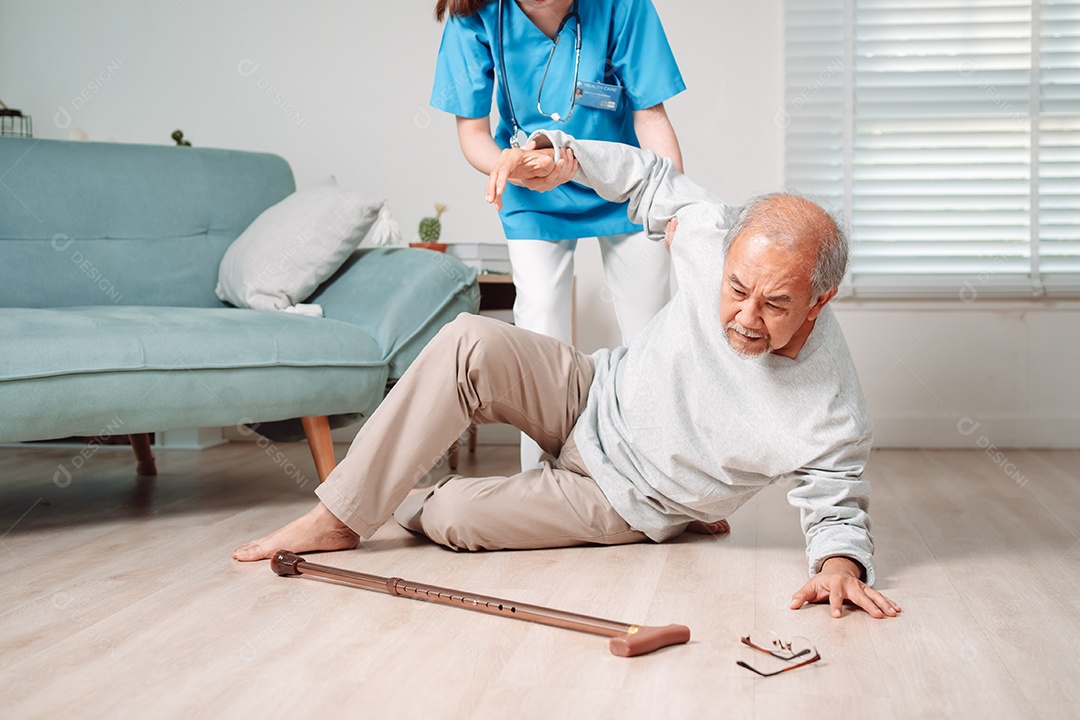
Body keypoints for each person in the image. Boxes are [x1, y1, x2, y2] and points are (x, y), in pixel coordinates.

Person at [234, 131, 901, 620]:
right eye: (736, 290)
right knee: (470, 340)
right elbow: (645, 175)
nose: (747, 317)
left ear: (821, 300)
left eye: (776, 304)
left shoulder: (830, 407)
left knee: (457, 514)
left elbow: (836, 506)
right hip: (590, 392)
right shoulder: (713, 233)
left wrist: (838, 569)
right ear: (728, 255)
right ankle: (342, 515)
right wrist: (567, 154)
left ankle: (397, 501)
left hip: (632, 500)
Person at [431, 0, 686, 470]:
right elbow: (472, 133)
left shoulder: (623, 5)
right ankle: (541, 475)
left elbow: (651, 116)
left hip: (622, 178)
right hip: (531, 182)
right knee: (539, 331)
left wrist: (672, 205)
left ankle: (663, 477)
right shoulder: (475, 14)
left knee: (650, 328)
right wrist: (517, 169)